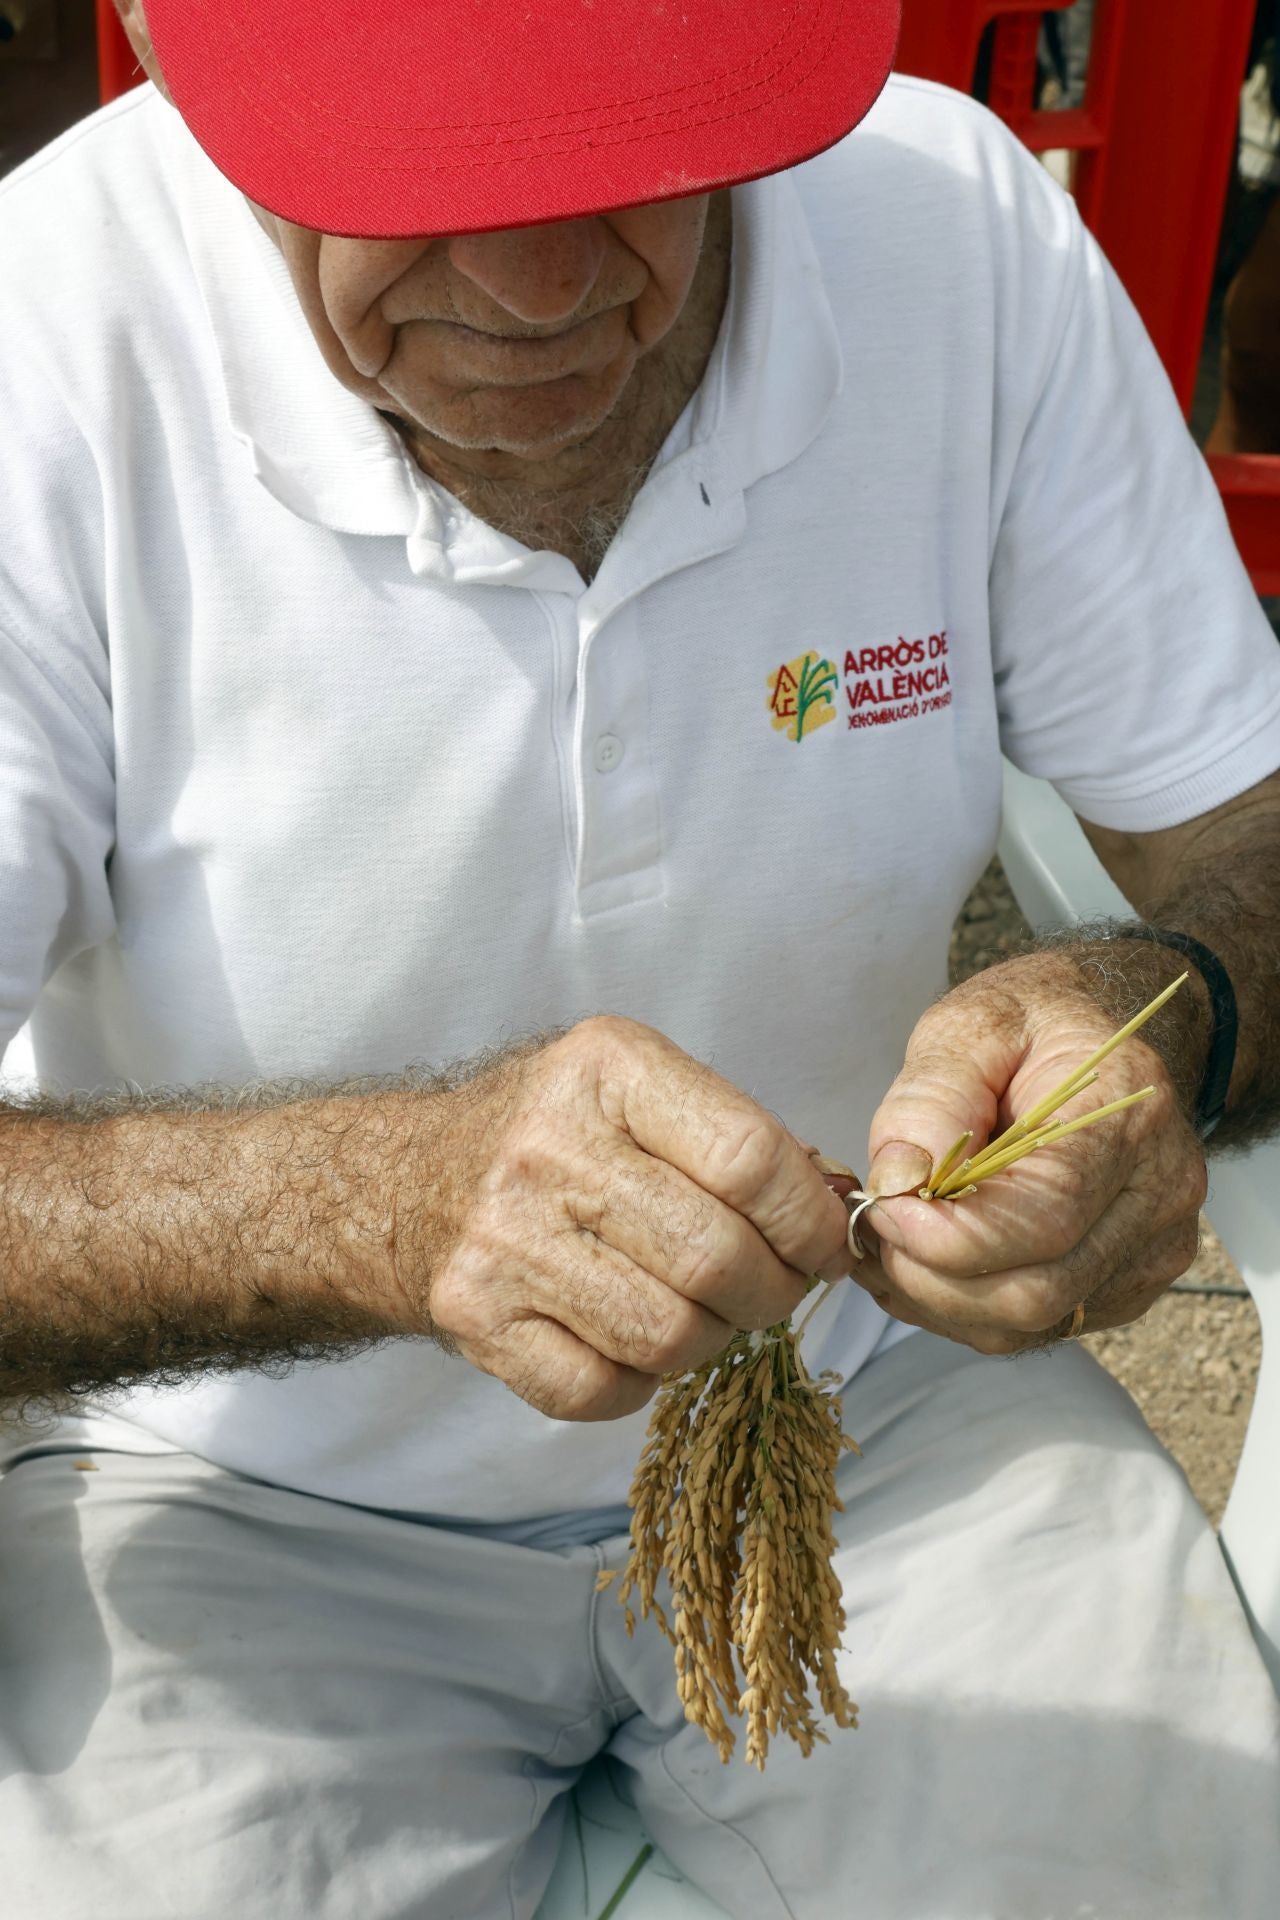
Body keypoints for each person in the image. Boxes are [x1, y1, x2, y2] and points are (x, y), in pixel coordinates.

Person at [1, 1, 1278, 1914]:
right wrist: (375, 1205)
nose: (531, 283)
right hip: (241, 1497)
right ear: (187, 71)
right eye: (402, 171)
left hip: (877, 1400)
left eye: (637, 147)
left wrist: (1159, 1018)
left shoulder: (957, 234)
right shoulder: (44, 340)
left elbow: (1246, 844)